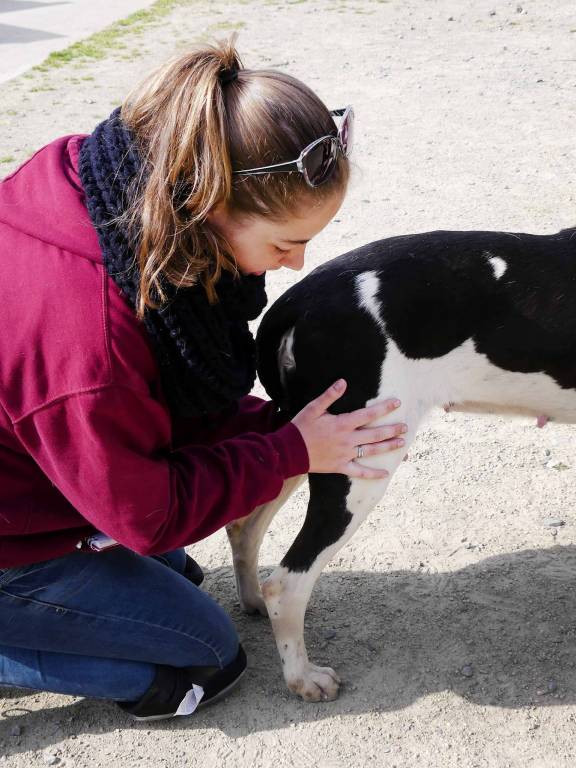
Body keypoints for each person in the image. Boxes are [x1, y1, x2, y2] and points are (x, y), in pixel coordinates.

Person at [0, 40, 406, 720]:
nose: (298, 262)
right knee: (203, 658)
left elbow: (165, 401)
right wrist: (288, 452)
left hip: (35, 481)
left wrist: (278, 427)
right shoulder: (87, 341)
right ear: (212, 201)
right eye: (283, 244)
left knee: (179, 571)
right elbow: (147, 517)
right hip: (14, 541)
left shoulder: (109, 179)